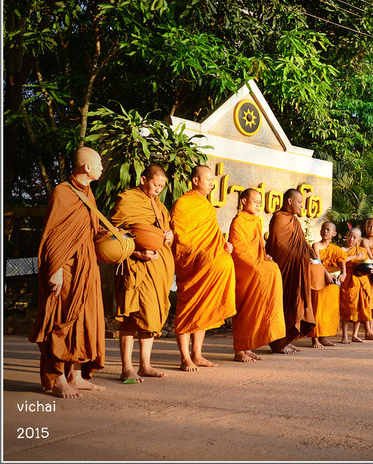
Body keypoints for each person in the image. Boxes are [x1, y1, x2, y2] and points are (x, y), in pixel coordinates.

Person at [29, 147, 106, 398]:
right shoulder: (63, 192)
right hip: (66, 267)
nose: (102, 168)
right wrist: (56, 270)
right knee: (60, 319)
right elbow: (53, 235)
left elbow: (88, 230)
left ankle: (74, 375)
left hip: (86, 266)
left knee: (82, 321)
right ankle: (57, 378)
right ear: (87, 167)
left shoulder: (88, 193)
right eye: (99, 164)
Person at [110, 164, 174, 382]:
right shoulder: (127, 199)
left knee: (151, 314)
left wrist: (169, 235)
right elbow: (114, 232)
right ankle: (127, 367)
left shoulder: (160, 206)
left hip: (157, 267)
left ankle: (145, 364)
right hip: (135, 265)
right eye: (156, 185)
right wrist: (137, 251)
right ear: (143, 179)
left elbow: (168, 232)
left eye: (162, 187)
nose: (158, 190)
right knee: (130, 314)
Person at [171, 165, 236, 371]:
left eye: (212, 180)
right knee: (188, 307)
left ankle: (197, 354)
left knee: (203, 307)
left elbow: (212, 237)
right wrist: (201, 253)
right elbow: (181, 236)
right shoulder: (183, 203)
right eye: (207, 179)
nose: (211, 183)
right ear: (195, 181)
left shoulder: (207, 207)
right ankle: (185, 358)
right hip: (191, 263)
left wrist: (224, 245)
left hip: (208, 263)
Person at [227, 188, 286, 362]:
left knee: (273, 268)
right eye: (255, 202)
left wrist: (263, 256)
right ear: (244, 201)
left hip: (256, 265)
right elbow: (238, 250)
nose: (259, 205)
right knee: (245, 309)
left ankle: (248, 347)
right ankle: (239, 350)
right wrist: (256, 264)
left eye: (260, 203)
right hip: (245, 269)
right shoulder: (238, 221)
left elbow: (258, 245)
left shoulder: (257, 221)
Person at [265, 188, 317, 353]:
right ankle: (277, 342)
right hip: (284, 270)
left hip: (296, 269)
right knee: (282, 304)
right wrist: (301, 256)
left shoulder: (294, 220)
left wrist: (309, 255)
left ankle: (286, 339)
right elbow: (280, 246)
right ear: (289, 201)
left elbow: (301, 243)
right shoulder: (279, 219)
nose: (302, 206)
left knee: (294, 303)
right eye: (300, 202)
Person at [340, 228, 373, 342]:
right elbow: (341, 260)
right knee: (347, 308)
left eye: (354, 238)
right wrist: (355, 257)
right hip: (348, 281)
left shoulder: (362, 250)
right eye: (349, 236)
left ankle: (354, 335)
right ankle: (345, 336)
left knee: (360, 308)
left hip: (362, 282)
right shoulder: (342, 250)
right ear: (346, 236)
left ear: (359, 240)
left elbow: (370, 262)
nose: (351, 239)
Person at [310, 222, 347, 348]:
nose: (325, 231)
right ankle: (315, 339)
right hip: (320, 279)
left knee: (329, 310)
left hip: (332, 281)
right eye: (323, 229)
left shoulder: (335, 249)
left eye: (328, 229)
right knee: (318, 309)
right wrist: (327, 275)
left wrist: (344, 273)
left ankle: (323, 337)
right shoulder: (316, 245)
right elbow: (318, 262)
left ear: (334, 233)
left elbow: (342, 260)